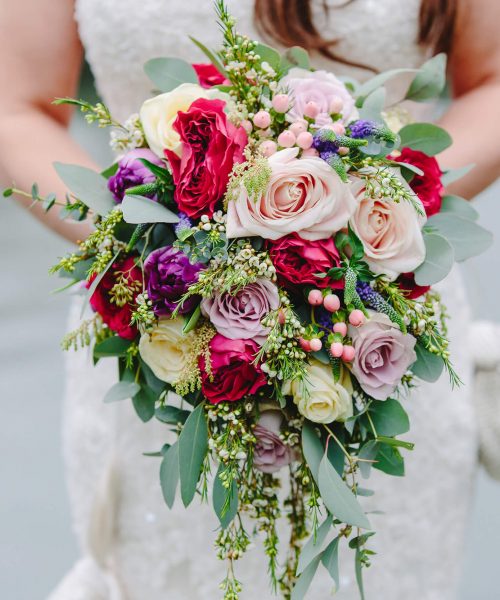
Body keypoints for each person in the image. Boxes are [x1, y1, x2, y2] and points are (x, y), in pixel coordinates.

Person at [1, 1, 499, 598]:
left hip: (378, 318)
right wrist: (153, 245)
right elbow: (17, 105)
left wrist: (364, 214)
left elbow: (492, 80)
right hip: (162, 322)